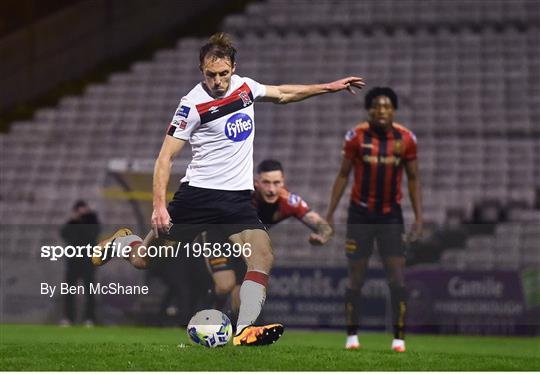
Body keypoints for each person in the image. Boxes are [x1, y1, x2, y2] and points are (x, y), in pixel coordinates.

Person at [93, 32, 364, 346]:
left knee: (262, 255)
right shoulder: (192, 104)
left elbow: (283, 93)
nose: (218, 81)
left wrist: (328, 87)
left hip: (236, 199)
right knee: (145, 259)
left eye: (223, 73)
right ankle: (123, 242)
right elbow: (165, 156)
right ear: (201, 71)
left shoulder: (246, 88)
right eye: (211, 75)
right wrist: (158, 206)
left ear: (233, 68)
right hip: (197, 197)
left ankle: (245, 329)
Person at [325, 87, 422, 352]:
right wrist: (330, 214)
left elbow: (413, 179)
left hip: (391, 216)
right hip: (360, 215)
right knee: (356, 278)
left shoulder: (406, 139)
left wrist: (419, 217)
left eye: (387, 106)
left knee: (397, 279)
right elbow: (343, 175)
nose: (382, 110)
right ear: (369, 110)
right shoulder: (355, 136)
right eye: (377, 106)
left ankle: (399, 339)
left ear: (394, 110)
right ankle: (352, 336)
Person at [206, 159, 333, 322]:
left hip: (246, 246)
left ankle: (233, 332)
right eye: (266, 183)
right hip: (218, 237)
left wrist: (323, 236)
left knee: (240, 300)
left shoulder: (289, 201)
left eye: (276, 183)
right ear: (256, 183)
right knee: (225, 285)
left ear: (283, 182)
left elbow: (324, 226)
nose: (272, 189)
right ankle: (207, 313)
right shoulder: (242, 196)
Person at [60, 200, 100, 326]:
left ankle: (89, 318)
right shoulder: (72, 222)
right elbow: (64, 234)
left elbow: (92, 235)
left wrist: (84, 220)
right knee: (69, 291)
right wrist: (73, 220)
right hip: (73, 262)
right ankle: (68, 318)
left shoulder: (93, 221)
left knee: (90, 292)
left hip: (88, 261)